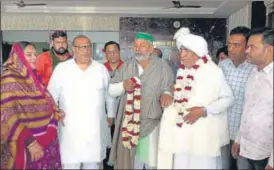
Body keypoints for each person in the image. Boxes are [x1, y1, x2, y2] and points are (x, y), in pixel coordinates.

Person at [157, 27, 233, 169]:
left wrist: (204, 111)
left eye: (187, 51)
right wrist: (168, 94)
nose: (182, 55)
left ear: (198, 52)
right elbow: (180, 93)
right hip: (182, 135)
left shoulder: (212, 71)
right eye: (181, 50)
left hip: (202, 137)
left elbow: (227, 99)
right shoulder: (183, 70)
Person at [47, 35, 115, 169]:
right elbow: (50, 96)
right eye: (82, 47)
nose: (86, 50)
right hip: (70, 131)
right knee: (70, 164)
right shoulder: (62, 69)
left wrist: (111, 114)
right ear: (73, 50)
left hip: (94, 129)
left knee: (93, 164)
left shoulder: (100, 69)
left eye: (88, 46)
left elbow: (109, 94)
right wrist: (55, 112)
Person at [108, 32, 174, 169]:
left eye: (142, 45)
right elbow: (111, 90)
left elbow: (169, 86)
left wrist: (167, 93)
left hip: (153, 123)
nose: (138, 48)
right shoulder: (126, 66)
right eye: (136, 45)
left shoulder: (162, 66)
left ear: (151, 48)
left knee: (152, 161)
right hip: (129, 124)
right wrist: (122, 86)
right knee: (133, 163)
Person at [1, 41, 65, 169]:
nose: (34, 58)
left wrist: (56, 111)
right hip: (25, 145)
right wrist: (30, 143)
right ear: (17, 57)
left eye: (35, 54)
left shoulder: (33, 79)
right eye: (29, 55)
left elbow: (47, 101)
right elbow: (7, 115)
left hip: (46, 141)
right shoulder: (8, 79)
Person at [232, 27, 273, 170]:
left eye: (252, 47)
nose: (247, 51)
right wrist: (238, 139)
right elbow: (246, 109)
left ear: (269, 50)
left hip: (266, 155)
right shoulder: (253, 73)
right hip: (246, 148)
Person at [218, 26, 254, 169]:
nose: (231, 49)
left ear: (247, 46)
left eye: (236, 45)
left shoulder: (255, 69)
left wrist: (240, 136)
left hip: (245, 135)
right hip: (222, 131)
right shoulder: (222, 66)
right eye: (229, 44)